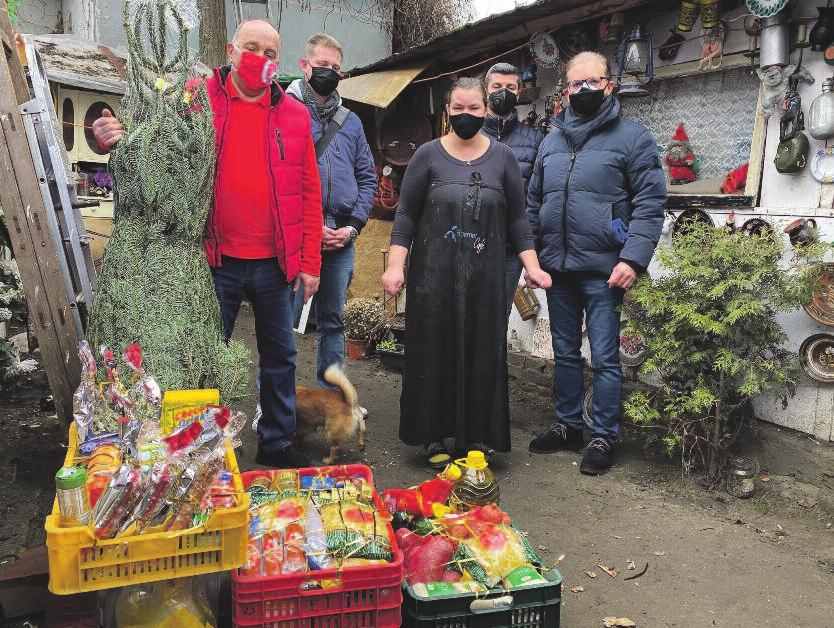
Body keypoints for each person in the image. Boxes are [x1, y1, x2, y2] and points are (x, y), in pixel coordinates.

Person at [92, 19, 323, 469]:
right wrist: (111, 138)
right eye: (252, 48)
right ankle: (201, 444)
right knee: (200, 355)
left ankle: (276, 440)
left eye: (271, 53)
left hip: (275, 263)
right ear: (231, 50)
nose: (261, 59)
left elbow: (309, 191)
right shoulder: (194, 97)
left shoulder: (294, 115)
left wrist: (309, 260)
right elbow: (148, 137)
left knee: (280, 355)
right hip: (212, 259)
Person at [382, 77, 552, 468]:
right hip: (433, 276)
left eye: (474, 108)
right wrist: (395, 266)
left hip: (486, 276)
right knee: (434, 350)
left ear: (486, 110)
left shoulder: (504, 157)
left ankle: (477, 436)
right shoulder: (427, 155)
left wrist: (532, 265)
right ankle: (433, 436)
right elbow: (406, 215)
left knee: (482, 352)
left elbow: (518, 219)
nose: (465, 115)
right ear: (446, 111)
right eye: (457, 108)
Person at [526, 51, 666, 475]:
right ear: (565, 90)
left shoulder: (633, 138)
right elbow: (534, 203)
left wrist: (634, 259)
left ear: (609, 85)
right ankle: (568, 426)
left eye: (593, 82)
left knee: (605, 358)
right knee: (565, 354)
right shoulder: (550, 141)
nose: (583, 90)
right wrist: (531, 259)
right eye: (575, 84)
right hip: (558, 270)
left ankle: (604, 435)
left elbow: (650, 202)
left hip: (606, 272)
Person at [286, 33, 376, 389]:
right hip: (297, 236)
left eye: (336, 68)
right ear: (305, 66)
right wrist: (306, 228)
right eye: (323, 66)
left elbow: (368, 178)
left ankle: (331, 402)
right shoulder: (285, 110)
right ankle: (275, 404)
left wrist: (352, 227)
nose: (330, 72)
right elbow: (276, 177)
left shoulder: (350, 121)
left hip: (341, 238)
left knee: (333, 322)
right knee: (283, 322)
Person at [480, 62, 545, 319]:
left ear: (518, 93)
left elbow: (536, 199)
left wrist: (531, 252)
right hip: (467, 242)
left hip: (509, 248)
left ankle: (494, 361)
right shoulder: (469, 137)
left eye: (510, 87)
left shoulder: (535, 141)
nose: (503, 92)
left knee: (498, 319)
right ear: (486, 91)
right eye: (497, 86)